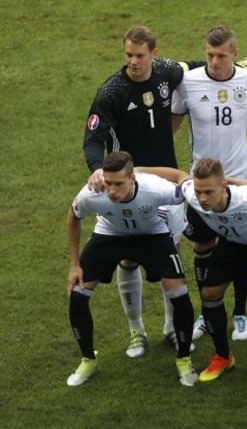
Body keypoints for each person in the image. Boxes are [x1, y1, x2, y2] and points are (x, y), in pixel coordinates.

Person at [83, 26, 203, 357]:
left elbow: (195, 66)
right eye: (128, 55)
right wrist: (97, 167)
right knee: (127, 258)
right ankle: (136, 331)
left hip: (165, 183)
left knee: (171, 253)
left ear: (153, 53)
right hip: (128, 184)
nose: (133, 62)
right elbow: (93, 138)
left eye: (139, 55)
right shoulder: (112, 92)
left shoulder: (166, 71)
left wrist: (246, 66)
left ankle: (171, 329)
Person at [140, 158, 247, 393]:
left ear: (224, 187)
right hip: (234, 243)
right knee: (209, 294)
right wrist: (138, 169)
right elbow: (178, 175)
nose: (203, 198)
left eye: (209, 192)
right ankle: (223, 356)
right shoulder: (194, 195)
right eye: (199, 192)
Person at [66, 152, 197, 387]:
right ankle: (88, 360)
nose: (111, 190)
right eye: (108, 183)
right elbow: (73, 215)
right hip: (110, 235)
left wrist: (156, 171)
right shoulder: (92, 193)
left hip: (152, 236)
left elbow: (183, 182)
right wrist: (75, 265)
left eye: (118, 184)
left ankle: (184, 359)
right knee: (77, 294)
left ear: (133, 179)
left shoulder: (155, 189)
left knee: (179, 294)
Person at [172, 26, 247, 342]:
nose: (213, 61)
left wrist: (238, 126)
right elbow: (173, 122)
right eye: (209, 55)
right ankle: (206, 311)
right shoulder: (189, 83)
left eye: (221, 56)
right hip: (201, 185)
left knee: (240, 245)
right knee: (202, 245)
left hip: (239, 182)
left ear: (235, 54)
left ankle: (240, 314)